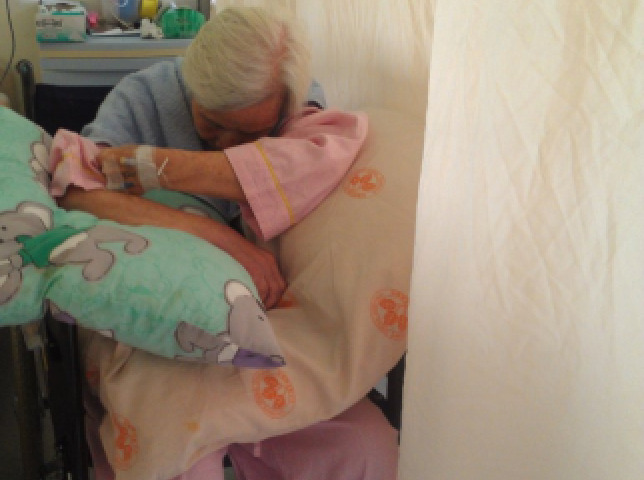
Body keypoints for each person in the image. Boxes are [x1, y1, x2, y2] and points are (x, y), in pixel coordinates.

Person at [52, 6, 398, 480]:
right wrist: (218, 236)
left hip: (264, 327)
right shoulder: (143, 96)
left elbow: (310, 163)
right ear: (191, 86)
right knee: (179, 448)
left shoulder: (298, 106)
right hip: (152, 327)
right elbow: (77, 193)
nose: (226, 144)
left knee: (365, 447)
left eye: (250, 133)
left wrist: (163, 169)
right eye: (211, 124)